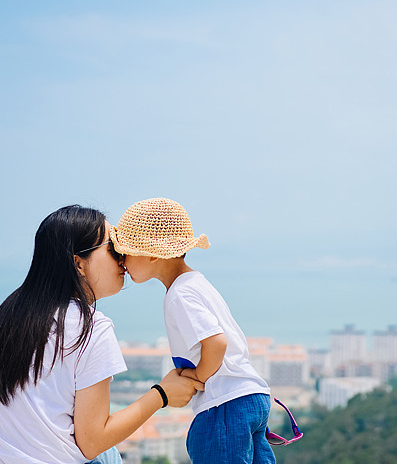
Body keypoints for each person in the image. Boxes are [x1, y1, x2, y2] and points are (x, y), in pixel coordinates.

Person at [0, 205, 203, 464]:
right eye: (113, 248)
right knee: (107, 456)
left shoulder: (11, 311)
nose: (123, 257)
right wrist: (161, 394)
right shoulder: (91, 327)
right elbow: (92, 442)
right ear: (79, 264)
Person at [110, 198, 276, 464]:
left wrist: (198, 376)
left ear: (153, 254)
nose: (121, 262)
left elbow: (216, 342)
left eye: (125, 253)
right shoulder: (197, 283)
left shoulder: (180, 294)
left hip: (224, 403)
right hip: (251, 395)